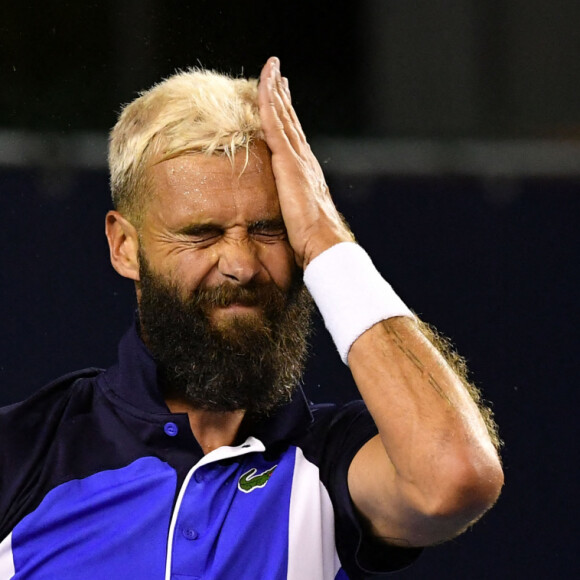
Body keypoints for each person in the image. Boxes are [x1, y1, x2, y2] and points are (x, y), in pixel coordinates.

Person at [0, 57, 503, 579]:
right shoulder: (24, 452)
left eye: (269, 229)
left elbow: (455, 476)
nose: (241, 265)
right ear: (125, 247)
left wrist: (326, 239)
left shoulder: (329, 463)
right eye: (202, 234)